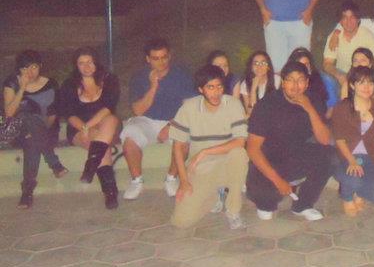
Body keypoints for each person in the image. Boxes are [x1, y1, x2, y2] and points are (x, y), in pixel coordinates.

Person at [245, 61, 333, 221]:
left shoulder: (313, 100)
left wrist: (309, 108)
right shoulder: (267, 105)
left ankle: (303, 205)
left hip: (295, 155)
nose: (295, 85)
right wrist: (278, 181)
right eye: (290, 80)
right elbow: (252, 149)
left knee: (330, 156)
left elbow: (325, 140)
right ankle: (271, 194)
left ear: (307, 83)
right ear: (283, 82)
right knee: (266, 202)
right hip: (269, 158)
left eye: (300, 80)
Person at [170, 65, 249, 230]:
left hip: (227, 164)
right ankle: (214, 195)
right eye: (210, 87)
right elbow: (178, 147)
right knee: (181, 222)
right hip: (201, 169)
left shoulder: (233, 104)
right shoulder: (188, 108)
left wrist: (205, 152)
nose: (216, 92)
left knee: (239, 154)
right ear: (201, 89)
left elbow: (240, 142)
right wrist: (184, 181)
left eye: (219, 86)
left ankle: (233, 210)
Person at [121, 38, 195, 200]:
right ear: (148, 59)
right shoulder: (139, 77)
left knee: (184, 138)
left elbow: (189, 107)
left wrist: (171, 125)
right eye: (156, 58)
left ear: (169, 56)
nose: (161, 62)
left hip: (173, 120)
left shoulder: (181, 75)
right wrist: (153, 85)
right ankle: (137, 181)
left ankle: (171, 178)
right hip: (146, 120)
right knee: (130, 135)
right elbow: (138, 110)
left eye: (164, 57)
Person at [2, 50, 67, 208]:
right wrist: (22, 88)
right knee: (27, 116)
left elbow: (52, 115)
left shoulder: (50, 84)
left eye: (33, 67)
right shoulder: (12, 83)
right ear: (19, 69)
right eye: (25, 69)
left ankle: (27, 192)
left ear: (40, 66)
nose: (30, 72)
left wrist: (40, 132)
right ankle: (53, 162)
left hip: (45, 132)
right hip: (17, 132)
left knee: (32, 141)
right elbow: (9, 113)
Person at [58, 48, 122, 209]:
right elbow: (69, 114)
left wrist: (89, 125)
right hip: (79, 128)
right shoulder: (69, 84)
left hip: (106, 125)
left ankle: (90, 168)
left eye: (90, 62)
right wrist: (84, 127)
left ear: (96, 62)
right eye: (81, 63)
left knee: (110, 120)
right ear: (76, 66)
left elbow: (108, 107)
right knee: (102, 146)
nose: (86, 66)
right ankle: (110, 192)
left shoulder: (109, 79)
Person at [331, 66, 374, 216]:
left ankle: (358, 192)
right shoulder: (342, 108)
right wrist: (352, 161)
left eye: (370, 83)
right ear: (352, 85)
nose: (367, 87)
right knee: (354, 177)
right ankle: (347, 197)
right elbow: (339, 139)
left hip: (368, 155)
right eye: (361, 83)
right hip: (344, 155)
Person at [323, 0, 374, 89]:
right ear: (340, 21)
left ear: (358, 19)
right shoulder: (334, 36)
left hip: (364, 74)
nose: (348, 21)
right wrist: (339, 75)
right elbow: (327, 64)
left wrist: (367, 78)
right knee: (327, 80)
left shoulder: (367, 35)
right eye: (344, 17)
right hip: (343, 74)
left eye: (352, 17)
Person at [287, 47, 334, 116]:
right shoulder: (287, 85)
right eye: (299, 65)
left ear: (310, 66)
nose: (303, 68)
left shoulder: (322, 83)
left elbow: (329, 109)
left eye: (306, 64)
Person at [239, 51, 279, 116]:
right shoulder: (245, 84)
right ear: (251, 68)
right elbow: (251, 113)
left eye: (263, 63)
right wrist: (253, 90)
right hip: (257, 119)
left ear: (268, 66)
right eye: (256, 63)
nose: (259, 66)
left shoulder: (277, 80)